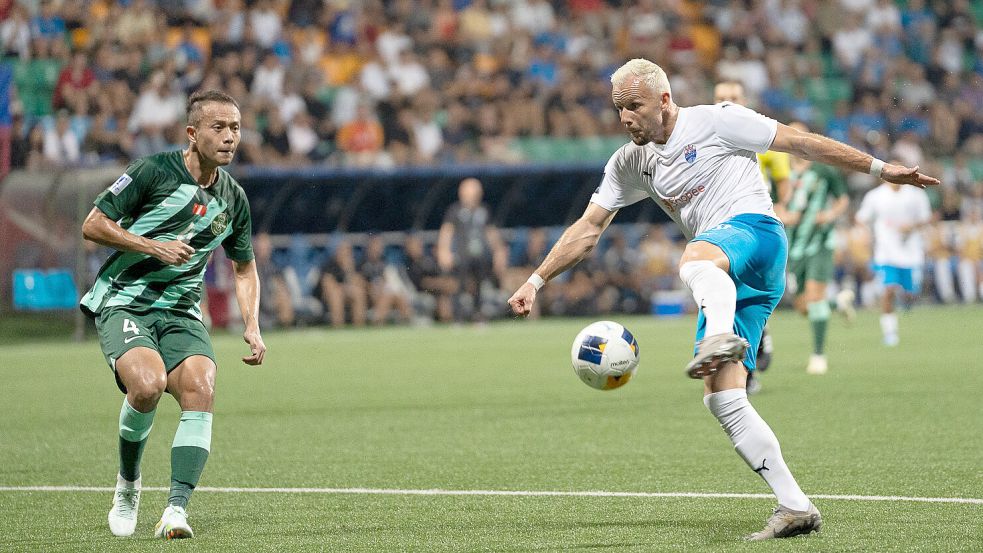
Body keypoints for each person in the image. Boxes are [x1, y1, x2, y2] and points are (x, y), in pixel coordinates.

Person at [507, 59, 938, 540]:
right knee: (723, 397)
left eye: (635, 106)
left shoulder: (718, 120)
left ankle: (718, 337)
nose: (626, 118)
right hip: (732, 276)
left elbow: (800, 142)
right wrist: (536, 281)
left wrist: (881, 169)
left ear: (664, 100)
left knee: (693, 261)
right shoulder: (629, 162)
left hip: (756, 233)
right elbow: (588, 229)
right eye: (618, 109)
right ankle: (796, 506)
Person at [79, 90, 266, 540]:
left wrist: (252, 324)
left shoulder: (233, 198)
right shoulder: (153, 171)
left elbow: (244, 268)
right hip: (126, 299)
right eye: (218, 127)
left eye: (235, 128)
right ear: (192, 133)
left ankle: (175, 511)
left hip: (181, 310)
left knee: (201, 387)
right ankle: (128, 485)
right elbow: (93, 225)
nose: (228, 137)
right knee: (147, 386)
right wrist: (152, 246)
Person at [712, 81, 790, 390]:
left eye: (732, 98)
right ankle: (751, 357)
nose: (726, 103)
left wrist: (783, 210)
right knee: (727, 297)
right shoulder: (708, 138)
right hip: (721, 229)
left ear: (745, 100)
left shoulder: (764, 139)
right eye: (720, 98)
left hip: (759, 229)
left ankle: (748, 368)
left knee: (745, 297)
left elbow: (784, 188)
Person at [782, 123, 852, 375]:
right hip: (793, 245)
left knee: (813, 297)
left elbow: (843, 199)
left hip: (820, 242)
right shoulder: (781, 171)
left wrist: (831, 214)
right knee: (803, 306)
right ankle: (838, 303)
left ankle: (818, 355)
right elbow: (773, 202)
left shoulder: (823, 169)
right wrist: (782, 215)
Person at [855, 169, 933, 346]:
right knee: (888, 290)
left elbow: (926, 218)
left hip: (911, 252)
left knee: (910, 293)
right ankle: (890, 333)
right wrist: (866, 233)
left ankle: (907, 301)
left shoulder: (915, 194)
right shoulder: (875, 196)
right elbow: (861, 218)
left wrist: (911, 226)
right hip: (886, 252)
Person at [437, 177, 508, 322]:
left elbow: (491, 233)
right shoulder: (455, 210)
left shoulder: (484, 210)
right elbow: (447, 232)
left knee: (480, 286)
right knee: (459, 286)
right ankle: (458, 318)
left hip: (480, 256)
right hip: (462, 256)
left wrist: (499, 252)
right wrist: (443, 251)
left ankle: (478, 316)